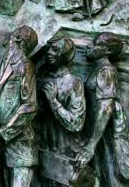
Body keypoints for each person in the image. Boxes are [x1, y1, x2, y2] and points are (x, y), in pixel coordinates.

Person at [75, 32, 129, 185]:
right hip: (98, 131)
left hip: (105, 131)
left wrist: (90, 145)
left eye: (95, 44)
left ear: (107, 51)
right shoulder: (99, 70)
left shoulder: (106, 71)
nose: (89, 46)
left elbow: (106, 108)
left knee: (111, 176)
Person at [0, 25, 38, 187]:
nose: (8, 34)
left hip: (20, 143)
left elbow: (30, 106)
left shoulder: (25, 65)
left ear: (18, 38)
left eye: (13, 32)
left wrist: (2, 133)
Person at [37, 37, 88, 185]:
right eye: (49, 49)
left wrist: (53, 101)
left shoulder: (74, 82)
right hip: (44, 153)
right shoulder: (43, 80)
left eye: (55, 50)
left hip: (67, 155)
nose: (49, 53)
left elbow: (76, 124)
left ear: (65, 55)